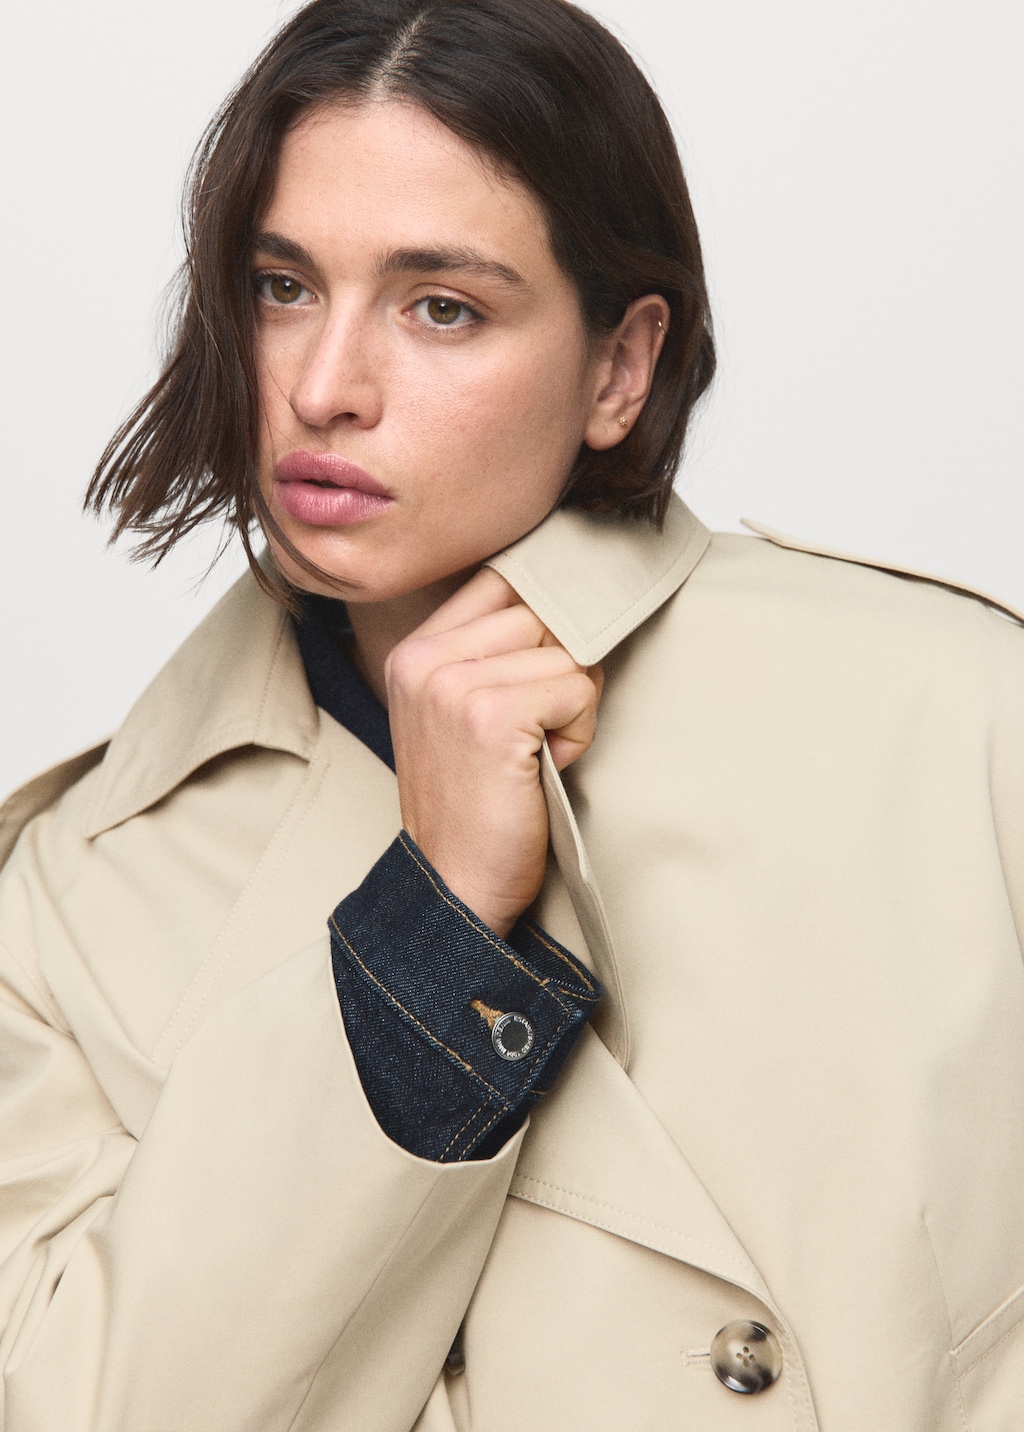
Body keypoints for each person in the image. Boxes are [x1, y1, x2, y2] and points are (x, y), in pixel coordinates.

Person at [0, 0, 1022, 1427]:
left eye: (442, 308)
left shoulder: (957, 713)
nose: (322, 387)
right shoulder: (65, 900)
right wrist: (426, 934)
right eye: (282, 286)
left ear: (620, 368)